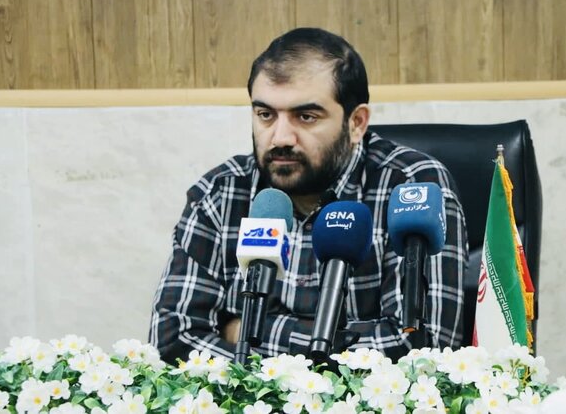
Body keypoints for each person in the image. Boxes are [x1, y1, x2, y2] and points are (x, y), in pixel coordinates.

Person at [149, 27, 467, 364]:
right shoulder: (221, 193)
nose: (280, 138)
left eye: (305, 117)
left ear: (356, 123)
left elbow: (422, 349)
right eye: (265, 115)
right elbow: (173, 342)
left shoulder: (413, 188)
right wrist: (332, 347)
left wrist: (247, 332)